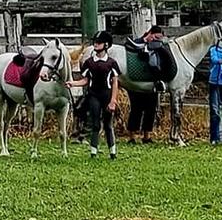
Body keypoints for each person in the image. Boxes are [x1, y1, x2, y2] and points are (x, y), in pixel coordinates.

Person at [67, 30, 121, 160]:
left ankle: (112, 151)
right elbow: (85, 80)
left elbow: (114, 83)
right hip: (93, 95)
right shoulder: (89, 63)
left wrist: (113, 100)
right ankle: (93, 151)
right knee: (95, 123)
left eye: (99, 42)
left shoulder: (112, 63)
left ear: (106, 45)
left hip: (107, 95)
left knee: (108, 124)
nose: (95, 44)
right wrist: (73, 83)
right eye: (95, 42)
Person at [125, 25, 165, 144]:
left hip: (151, 82)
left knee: (151, 109)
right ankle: (132, 136)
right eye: (156, 37)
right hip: (136, 82)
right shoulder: (136, 43)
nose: (156, 40)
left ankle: (147, 135)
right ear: (150, 33)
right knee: (136, 109)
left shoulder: (159, 48)